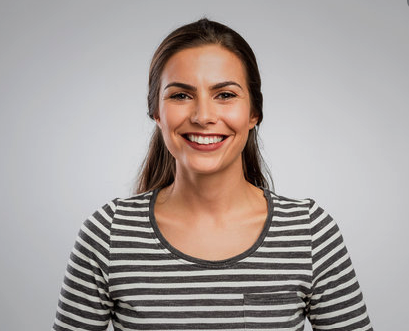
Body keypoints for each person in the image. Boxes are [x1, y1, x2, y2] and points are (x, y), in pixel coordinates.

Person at [52, 17, 373, 331]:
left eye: (225, 95)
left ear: (254, 113)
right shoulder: (108, 234)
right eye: (180, 95)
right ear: (156, 113)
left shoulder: (309, 232)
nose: (203, 116)